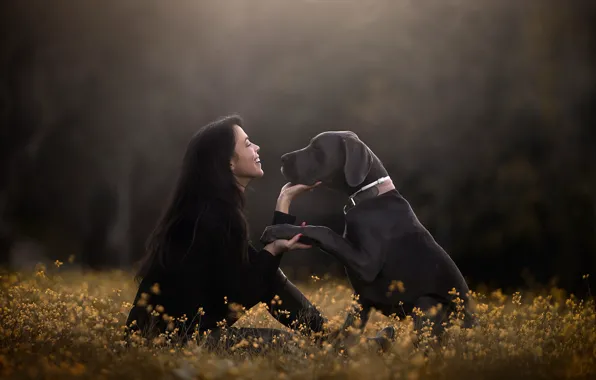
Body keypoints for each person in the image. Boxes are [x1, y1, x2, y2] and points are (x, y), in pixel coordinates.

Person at [124, 115, 327, 349]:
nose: (257, 147)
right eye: (248, 144)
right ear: (229, 162)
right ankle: (333, 340)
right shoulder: (212, 216)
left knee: (270, 276)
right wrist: (274, 244)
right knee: (292, 346)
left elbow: (255, 273)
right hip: (170, 342)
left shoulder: (210, 209)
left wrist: (284, 199)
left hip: (178, 335)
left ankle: (332, 338)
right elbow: (242, 295)